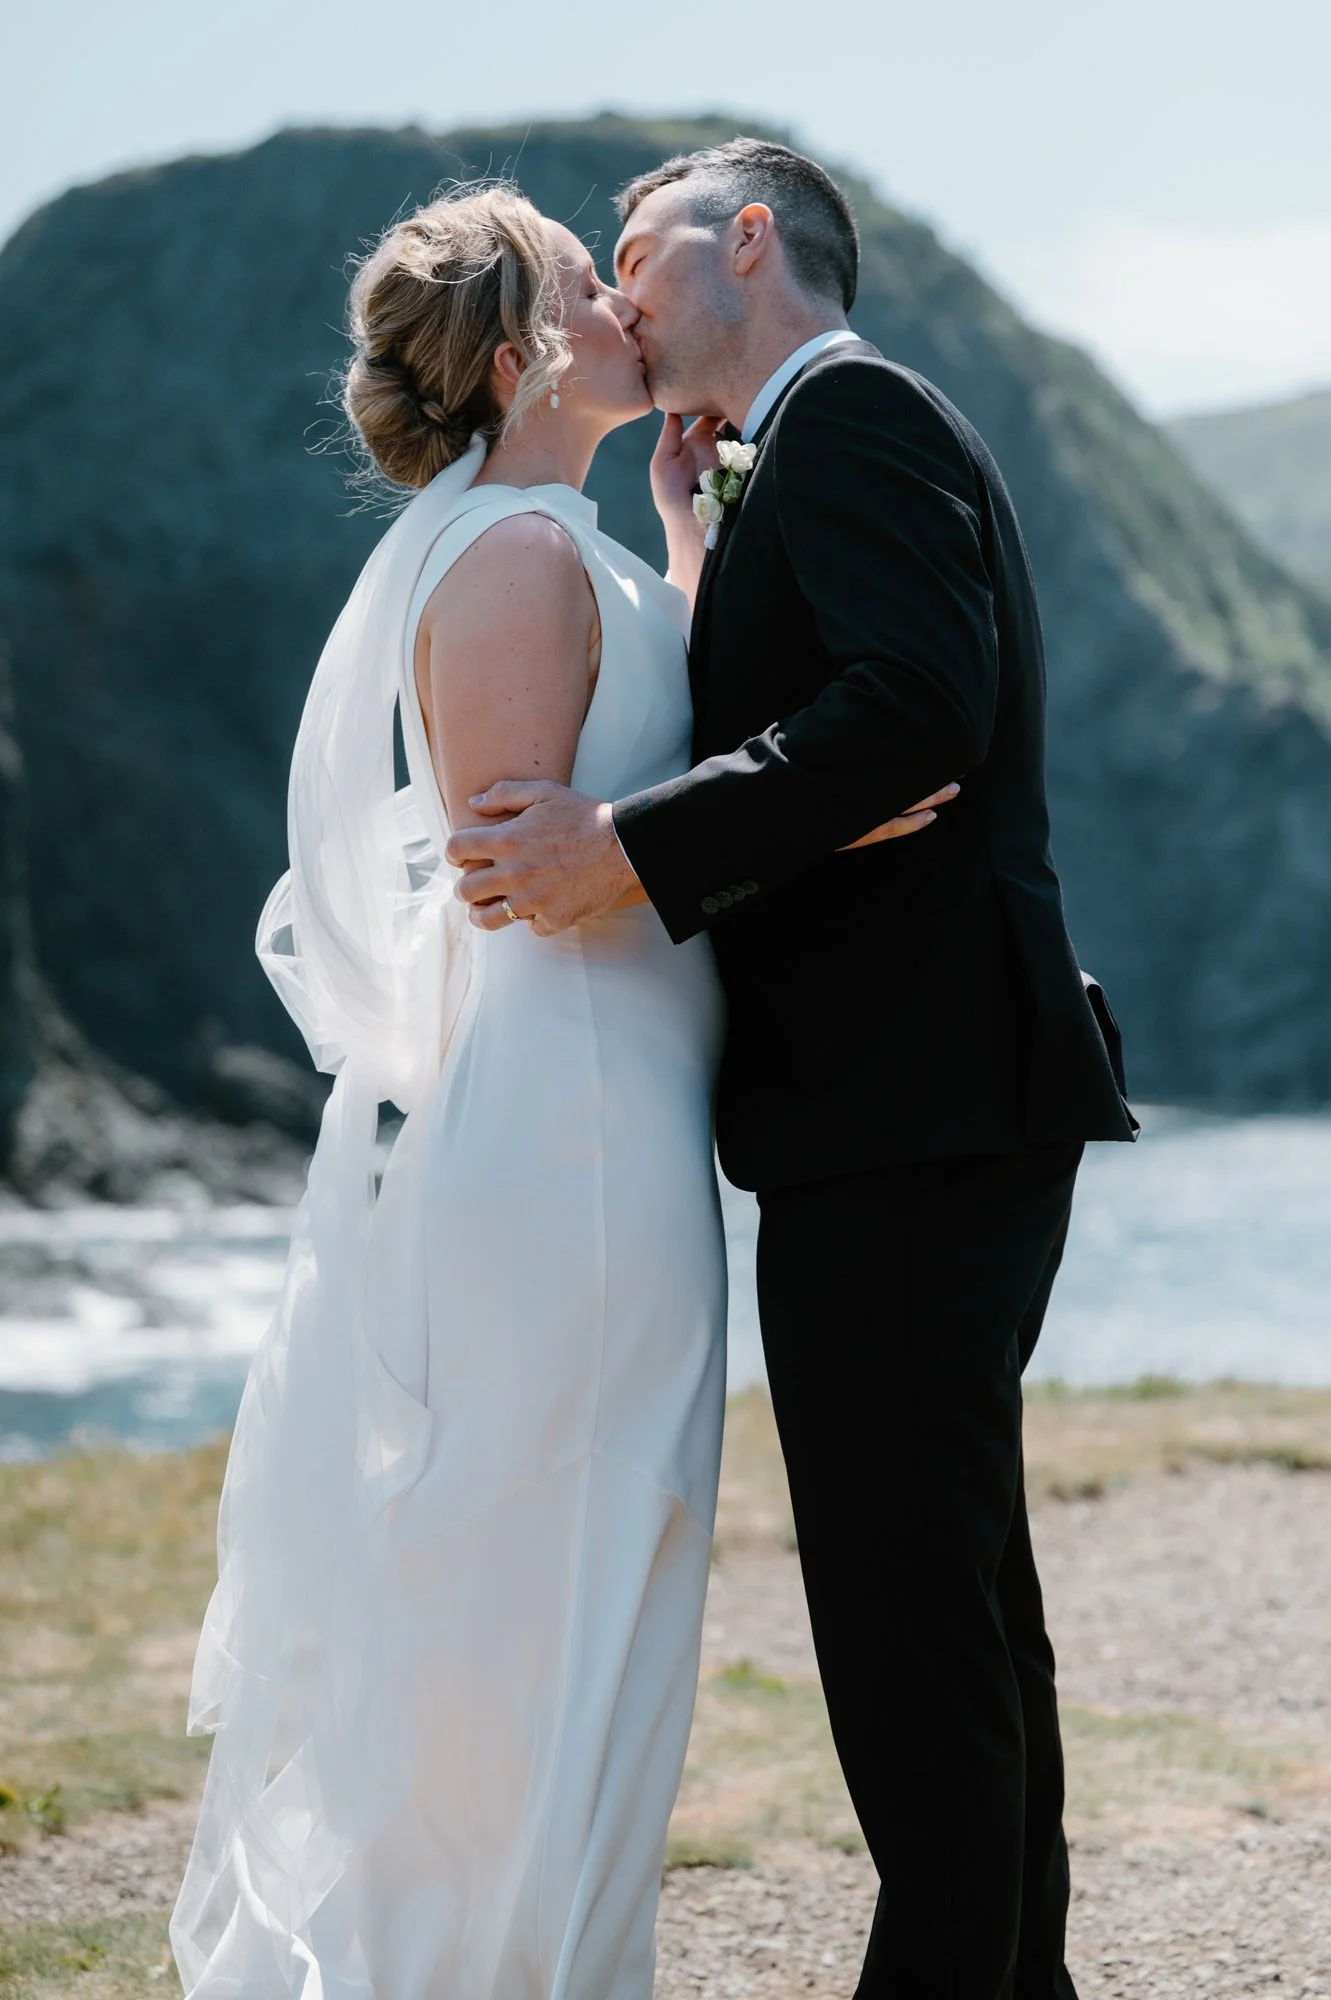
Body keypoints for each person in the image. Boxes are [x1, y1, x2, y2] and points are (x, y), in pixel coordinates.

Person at [170, 182, 936, 2000]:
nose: (622, 310)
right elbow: (530, 870)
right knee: (563, 1562)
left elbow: (632, 769)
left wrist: (698, 580)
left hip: (616, 1117)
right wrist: (809, 808)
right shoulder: (510, 561)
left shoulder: (557, 543)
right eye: (591, 289)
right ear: (522, 361)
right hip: (573, 1136)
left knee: (600, 1555)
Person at [445, 139, 1139, 1999]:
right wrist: (703, 566)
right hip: (916, 1097)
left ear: (745, 238)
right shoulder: (795, 457)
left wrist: (628, 846)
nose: (615, 292)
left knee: (909, 1615)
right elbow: (855, 717)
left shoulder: (851, 416)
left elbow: (921, 706)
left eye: (631, 251)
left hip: (916, 1100)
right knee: (954, 1598)